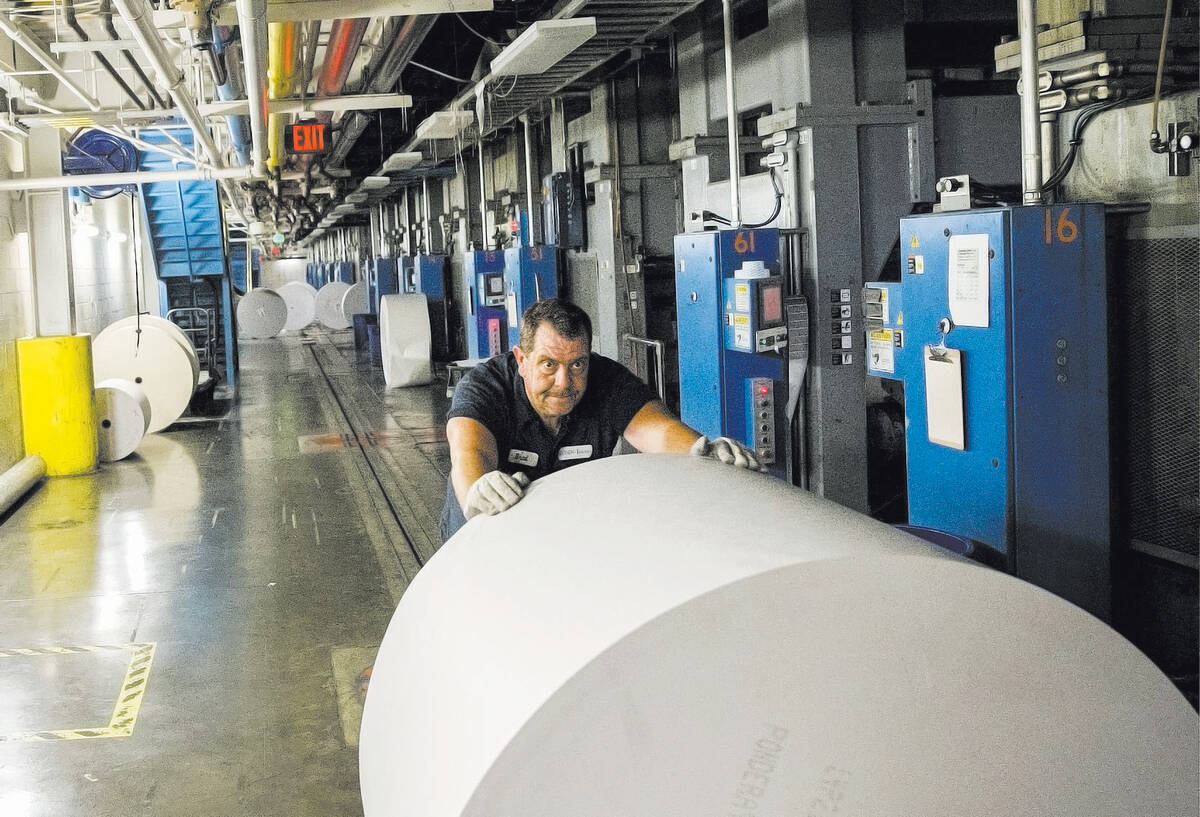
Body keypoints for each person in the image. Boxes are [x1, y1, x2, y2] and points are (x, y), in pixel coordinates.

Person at [439, 297, 764, 542]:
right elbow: (470, 449)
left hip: (561, 534)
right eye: (548, 364)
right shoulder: (485, 387)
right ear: (521, 360)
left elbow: (658, 430)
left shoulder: (607, 381)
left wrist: (700, 449)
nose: (565, 382)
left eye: (577, 364)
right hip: (478, 535)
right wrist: (477, 489)